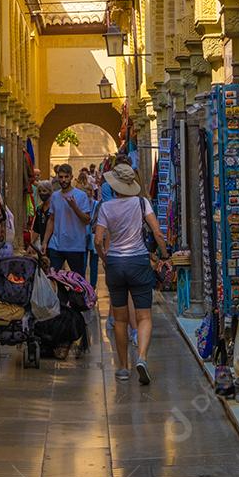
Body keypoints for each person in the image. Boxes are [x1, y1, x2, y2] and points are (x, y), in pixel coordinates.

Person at [95, 161, 168, 385]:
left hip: (116, 263)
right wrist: (164, 255)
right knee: (144, 315)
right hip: (138, 262)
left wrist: (104, 258)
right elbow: (157, 232)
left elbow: (98, 239)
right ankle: (142, 357)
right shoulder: (141, 202)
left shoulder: (106, 207)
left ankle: (123, 367)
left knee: (120, 319)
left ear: (114, 185)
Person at [42, 164, 91, 276]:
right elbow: (51, 219)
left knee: (78, 281)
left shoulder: (81, 196)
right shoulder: (54, 196)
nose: (63, 180)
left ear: (71, 177)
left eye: (66, 177)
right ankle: (61, 294)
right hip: (56, 244)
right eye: (61, 177)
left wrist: (74, 207)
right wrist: (45, 242)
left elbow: (87, 220)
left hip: (75, 245)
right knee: (54, 277)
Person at [84, 186, 100, 291]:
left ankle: (93, 285)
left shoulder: (97, 205)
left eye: (88, 192)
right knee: (83, 263)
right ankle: (83, 284)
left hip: (94, 236)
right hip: (83, 236)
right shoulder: (80, 206)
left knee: (94, 263)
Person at [31, 181, 53, 247]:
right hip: (43, 243)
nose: (42, 193)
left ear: (50, 191)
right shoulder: (39, 209)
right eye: (40, 191)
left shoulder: (54, 208)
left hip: (54, 244)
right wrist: (31, 244)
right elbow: (36, 229)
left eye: (44, 191)